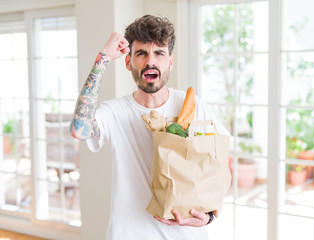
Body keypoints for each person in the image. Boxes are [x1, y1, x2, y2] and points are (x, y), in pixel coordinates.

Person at [70, 15, 229, 240]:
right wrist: (103, 57)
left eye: (159, 53)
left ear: (170, 62)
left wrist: (211, 214)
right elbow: (79, 129)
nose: (150, 61)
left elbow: (222, 167)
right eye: (141, 53)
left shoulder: (192, 105)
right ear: (128, 62)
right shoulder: (114, 112)